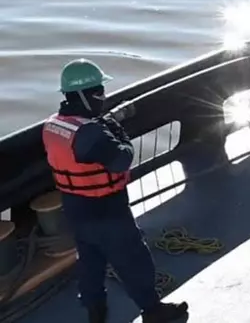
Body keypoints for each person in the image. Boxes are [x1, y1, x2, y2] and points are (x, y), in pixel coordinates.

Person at [41, 59, 189, 323]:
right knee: (133, 259)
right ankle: (153, 311)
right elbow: (122, 159)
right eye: (98, 91)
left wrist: (101, 126)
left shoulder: (54, 124)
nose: (103, 96)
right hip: (106, 209)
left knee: (90, 261)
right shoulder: (90, 132)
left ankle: (95, 310)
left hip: (75, 207)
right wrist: (118, 133)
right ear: (84, 96)